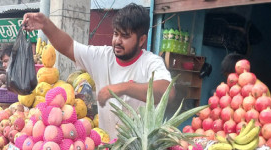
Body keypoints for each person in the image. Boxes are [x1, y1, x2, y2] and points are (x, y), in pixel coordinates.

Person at [23, 3, 173, 139]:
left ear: (141, 40)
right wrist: (46, 24)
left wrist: (123, 88)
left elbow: (168, 92)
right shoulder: (102, 57)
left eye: (125, 36)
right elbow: (69, 46)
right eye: (116, 34)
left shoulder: (150, 63)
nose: (117, 41)